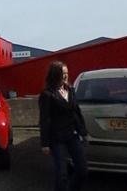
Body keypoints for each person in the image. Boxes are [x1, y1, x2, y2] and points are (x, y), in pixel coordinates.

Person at [39, 60, 88, 191]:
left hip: (72, 135)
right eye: (62, 73)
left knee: (82, 169)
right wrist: (44, 143)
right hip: (56, 138)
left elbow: (76, 111)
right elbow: (44, 119)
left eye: (66, 73)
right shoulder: (47, 94)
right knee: (62, 174)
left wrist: (83, 132)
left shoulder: (71, 90)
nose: (65, 76)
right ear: (55, 75)